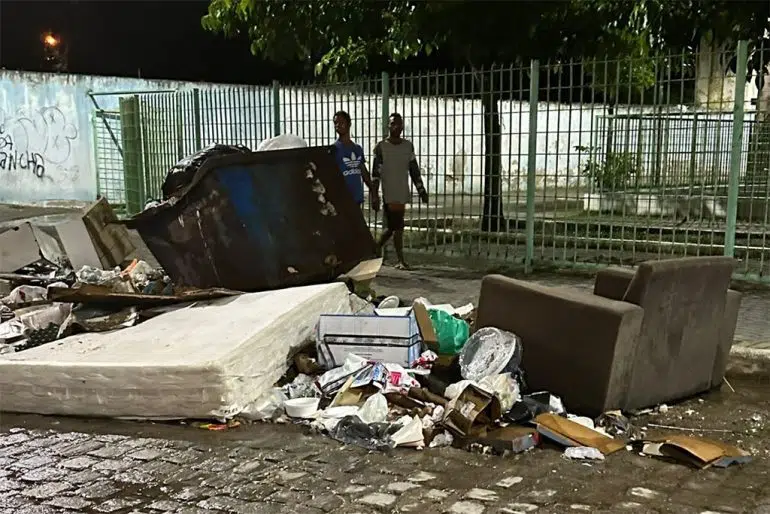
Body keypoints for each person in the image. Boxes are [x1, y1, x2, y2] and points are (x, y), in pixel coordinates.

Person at [372, 113, 429, 270]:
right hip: (389, 191)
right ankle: (391, 255)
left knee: (395, 227)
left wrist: (421, 189)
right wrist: (374, 194)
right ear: (388, 126)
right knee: (396, 226)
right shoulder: (381, 147)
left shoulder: (407, 146)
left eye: (399, 124)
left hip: (402, 190)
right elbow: (375, 173)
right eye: (393, 124)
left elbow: (414, 169)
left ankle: (378, 250)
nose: (396, 127)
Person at [332, 110, 377, 210]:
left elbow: (363, 172)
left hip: (356, 197)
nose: (338, 125)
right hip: (342, 198)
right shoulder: (334, 149)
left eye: (341, 122)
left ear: (349, 124)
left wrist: (373, 192)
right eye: (335, 123)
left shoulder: (357, 148)